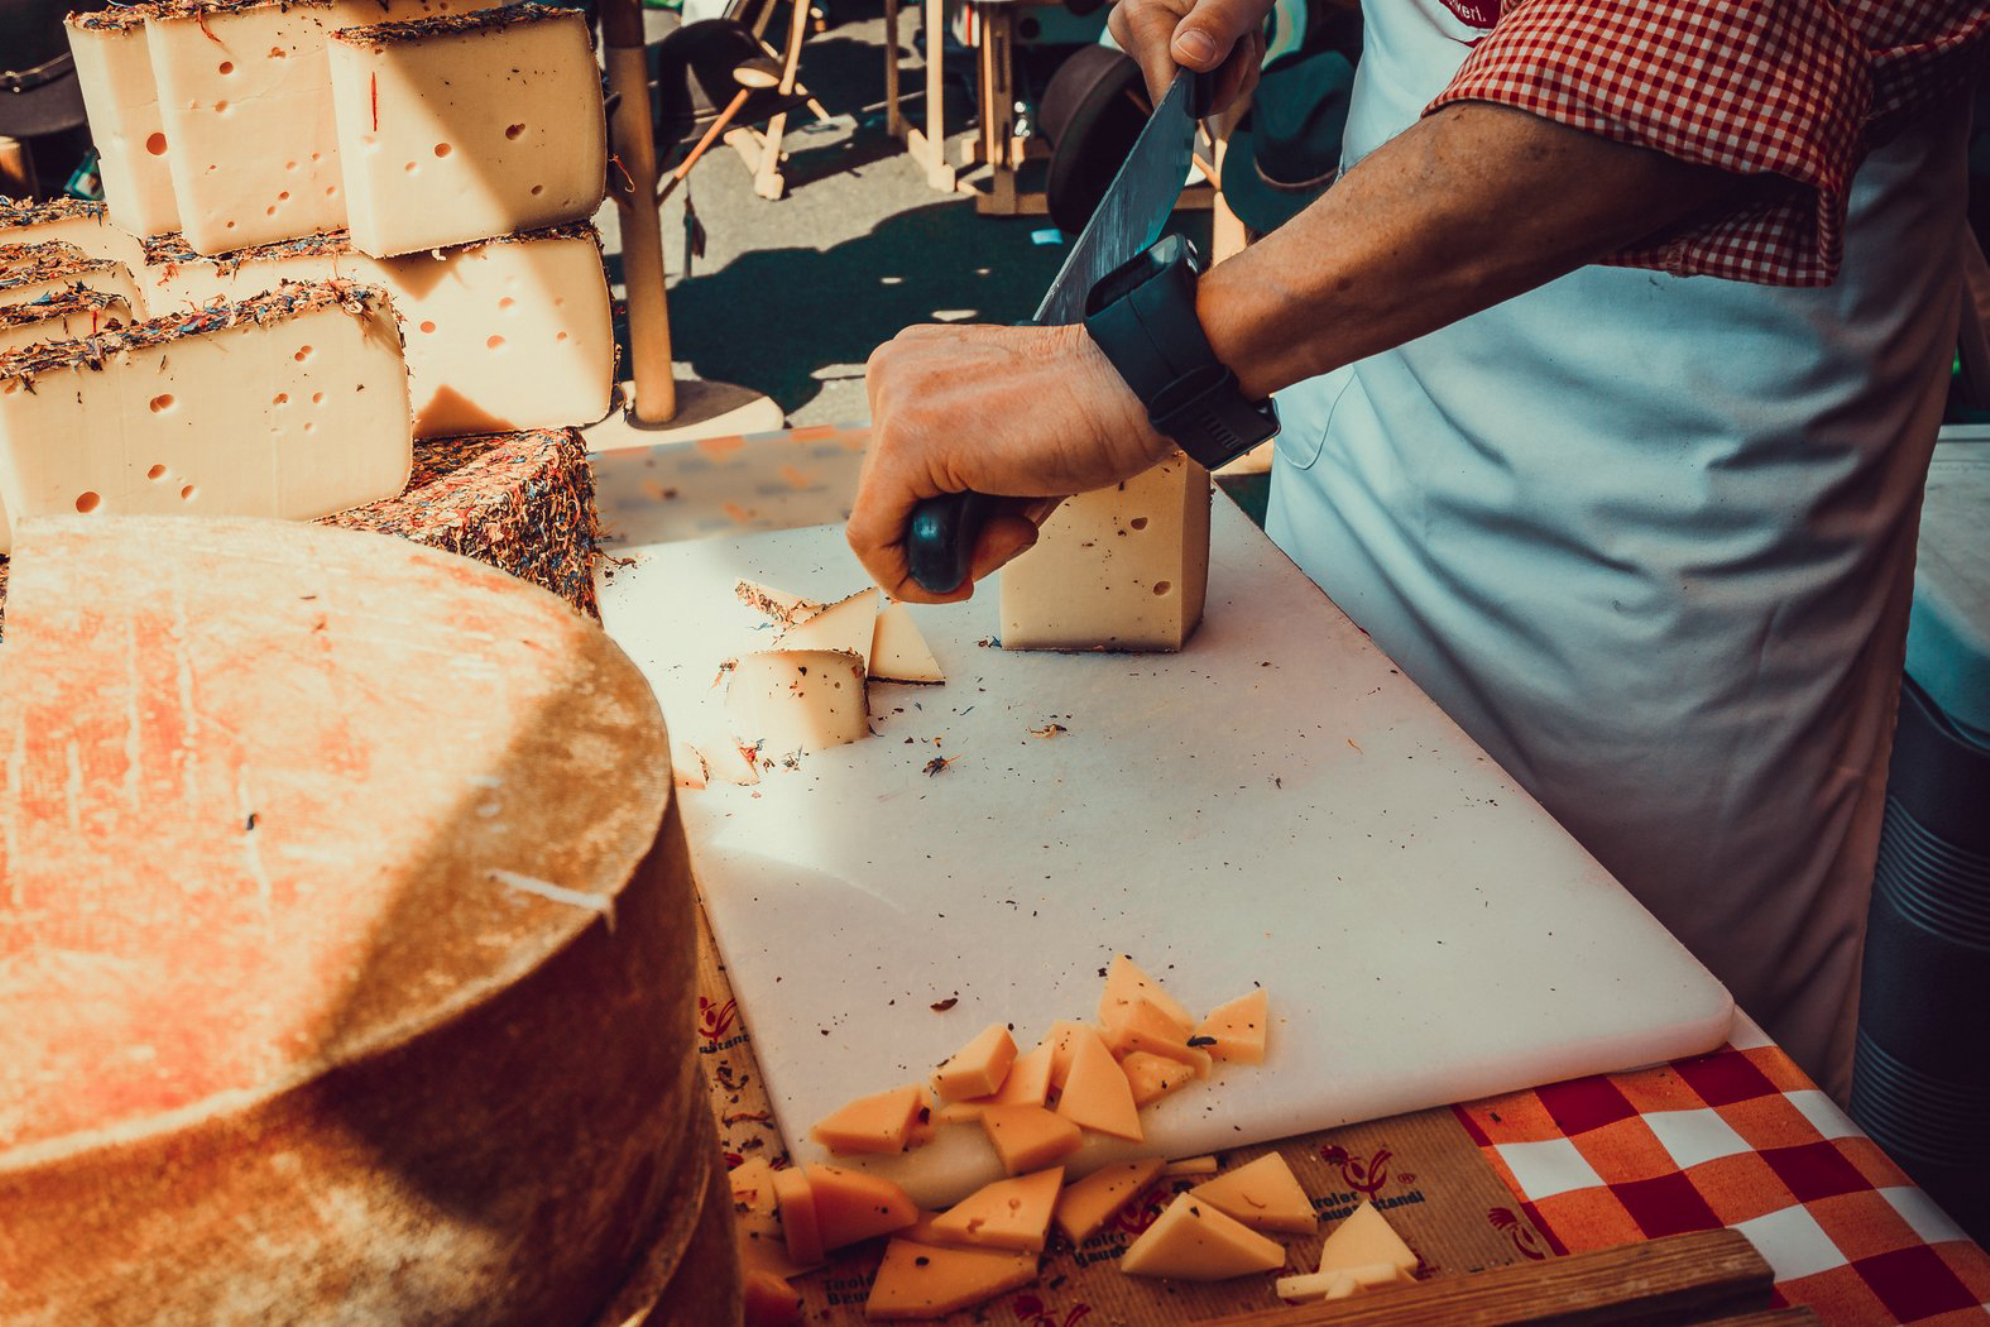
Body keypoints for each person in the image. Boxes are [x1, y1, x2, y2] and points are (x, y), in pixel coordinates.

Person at [847, 0, 1989, 1099]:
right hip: (1365, 350)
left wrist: (1143, 366)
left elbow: (1695, 56)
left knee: (1614, 1035)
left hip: (1671, 499)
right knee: (1302, 978)